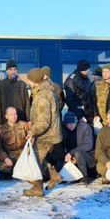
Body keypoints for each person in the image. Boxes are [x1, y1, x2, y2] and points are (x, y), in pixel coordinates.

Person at [22, 68, 62, 197]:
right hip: (51, 133)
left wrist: (32, 131)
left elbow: (44, 121)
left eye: (29, 80)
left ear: (35, 81)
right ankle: (55, 175)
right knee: (41, 158)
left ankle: (37, 188)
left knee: (35, 160)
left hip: (45, 135)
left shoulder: (42, 96)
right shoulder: (47, 90)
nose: (28, 82)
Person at [0, 106, 28, 179]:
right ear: (6, 116)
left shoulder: (23, 125)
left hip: (23, 154)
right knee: (3, 166)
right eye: (11, 114)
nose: (14, 116)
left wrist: (30, 135)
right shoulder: (1, 129)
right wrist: (5, 158)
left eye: (15, 114)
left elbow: (32, 133)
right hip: (10, 155)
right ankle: (11, 172)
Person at [62, 112, 95, 185]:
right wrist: (71, 157)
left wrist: (71, 153)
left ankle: (85, 177)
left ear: (76, 122)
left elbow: (89, 145)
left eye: (71, 123)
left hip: (89, 157)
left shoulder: (85, 127)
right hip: (74, 158)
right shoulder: (66, 131)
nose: (69, 126)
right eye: (67, 124)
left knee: (78, 153)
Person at [0, 59, 30, 124]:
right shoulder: (1, 85)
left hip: (20, 120)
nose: (13, 72)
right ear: (7, 71)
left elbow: (27, 104)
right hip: (6, 121)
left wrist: (28, 120)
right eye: (10, 69)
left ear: (17, 70)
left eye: (14, 69)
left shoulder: (22, 85)